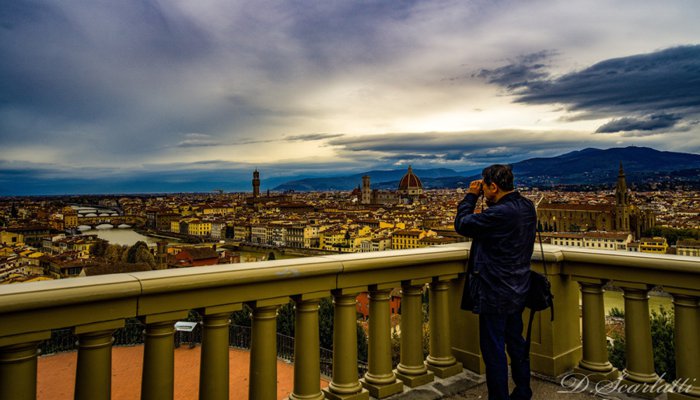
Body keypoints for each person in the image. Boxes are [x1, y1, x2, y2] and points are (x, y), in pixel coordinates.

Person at [454, 164, 537, 400]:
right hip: (519, 287)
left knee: (494, 352)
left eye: (485, 187)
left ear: (493, 187)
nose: (483, 191)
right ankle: (523, 391)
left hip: (494, 291)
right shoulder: (527, 206)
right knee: (517, 344)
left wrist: (471, 196)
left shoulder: (499, 214)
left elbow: (462, 224)